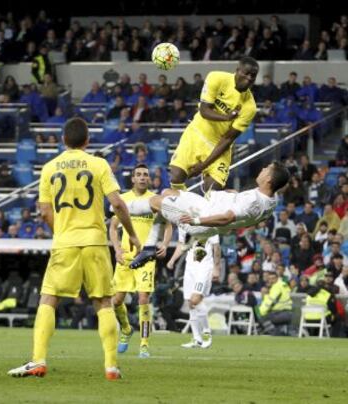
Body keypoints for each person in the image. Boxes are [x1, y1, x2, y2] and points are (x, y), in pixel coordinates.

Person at [8, 117, 141, 380]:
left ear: (63, 140)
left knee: (49, 299)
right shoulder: (99, 164)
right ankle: (111, 366)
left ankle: (38, 360)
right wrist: (133, 234)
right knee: (103, 301)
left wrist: (63, 233)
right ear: (88, 140)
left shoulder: (49, 168)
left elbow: (45, 210)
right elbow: (118, 203)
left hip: (65, 242)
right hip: (95, 241)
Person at [126, 161, 290, 269]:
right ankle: (149, 246)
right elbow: (245, 213)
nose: (262, 169)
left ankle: (118, 208)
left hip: (202, 217)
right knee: (168, 192)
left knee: (157, 202)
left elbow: (228, 217)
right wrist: (232, 196)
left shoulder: (253, 201)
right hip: (207, 206)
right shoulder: (271, 199)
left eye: (266, 169)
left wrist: (196, 221)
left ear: (268, 179)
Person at [110, 164, 172, 358]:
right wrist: (117, 249)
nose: (143, 177)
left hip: (146, 256)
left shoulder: (154, 200)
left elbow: (168, 223)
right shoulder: (124, 200)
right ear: (133, 179)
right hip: (126, 256)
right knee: (117, 300)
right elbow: (112, 228)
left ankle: (144, 344)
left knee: (143, 298)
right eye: (139, 174)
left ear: (149, 179)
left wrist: (165, 242)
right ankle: (126, 329)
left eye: (146, 174)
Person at [169, 56, 259, 191]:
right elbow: (204, 110)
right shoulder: (216, 78)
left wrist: (203, 166)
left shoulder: (250, 107)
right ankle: (184, 206)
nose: (249, 78)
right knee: (176, 177)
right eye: (246, 73)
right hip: (196, 133)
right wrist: (227, 117)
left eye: (253, 76)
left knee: (213, 189)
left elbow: (227, 139)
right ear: (237, 70)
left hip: (218, 145)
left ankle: (211, 207)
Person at [167, 230, 221, 348]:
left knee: (195, 300)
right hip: (190, 267)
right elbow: (181, 245)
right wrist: (172, 260)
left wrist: (217, 268)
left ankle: (207, 334)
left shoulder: (208, 222)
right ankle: (197, 339)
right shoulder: (182, 224)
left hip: (204, 267)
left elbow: (216, 247)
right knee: (191, 304)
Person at [258, 270, 292, 335]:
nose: (271, 280)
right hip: (287, 313)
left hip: (281, 313)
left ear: (277, 278)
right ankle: (280, 333)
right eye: (269, 279)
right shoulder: (283, 285)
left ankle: (276, 334)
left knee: (262, 318)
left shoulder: (276, 287)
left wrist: (261, 312)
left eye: (273, 278)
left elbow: (270, 302)